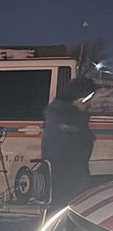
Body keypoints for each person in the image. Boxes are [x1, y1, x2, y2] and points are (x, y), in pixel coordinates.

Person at [43, 76, 97, 205]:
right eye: (88, 99)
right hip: (66, 174)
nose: (89, 103)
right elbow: (74, 143)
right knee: (65, 205)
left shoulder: (61, 112)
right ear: (79, 98)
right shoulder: (62, 114)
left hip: (74, 172)